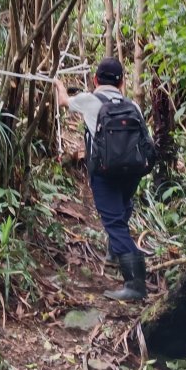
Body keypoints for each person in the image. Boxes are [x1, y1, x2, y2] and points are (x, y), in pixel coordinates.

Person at [54, 57, 149, 302]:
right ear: (121, 83)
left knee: (114, 222)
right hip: (132, 172)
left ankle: (135, 283)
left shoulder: (90, 100)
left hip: (105, 173)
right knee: (123, 207)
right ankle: (116, 252)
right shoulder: (133, 106)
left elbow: (63, 101)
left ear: (95, 79)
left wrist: (58, 84)